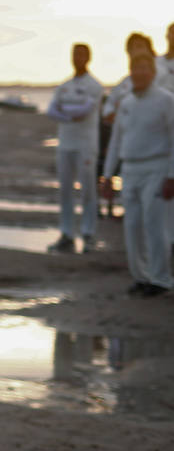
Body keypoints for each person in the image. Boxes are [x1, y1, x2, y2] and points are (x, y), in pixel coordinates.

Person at [100, 50, 174, 297]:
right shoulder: (127, 103)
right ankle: (140, 276)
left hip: (157, 167)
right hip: (129, 169)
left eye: (145, 69)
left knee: (154, 225)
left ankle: (161, 279)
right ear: (130, 72)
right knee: (132, 225)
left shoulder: (166, 100)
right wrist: (108, 175)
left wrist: (172, 176)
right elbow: (116, 141)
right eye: (135, 69)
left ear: (152, 73)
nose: (139, 74)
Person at [45, 43, 104, 253]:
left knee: (88, 189)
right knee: (65, 190)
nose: (77, 58)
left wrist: (66, 111)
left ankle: (88, 234)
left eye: (81, 54)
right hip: (65, 144)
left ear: (88, 57)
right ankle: (67, 234)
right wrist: (70, 114)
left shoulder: (95, 86)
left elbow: (85, 110)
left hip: (86, 145)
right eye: (74, 54)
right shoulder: (64, 86)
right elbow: (51, 110)